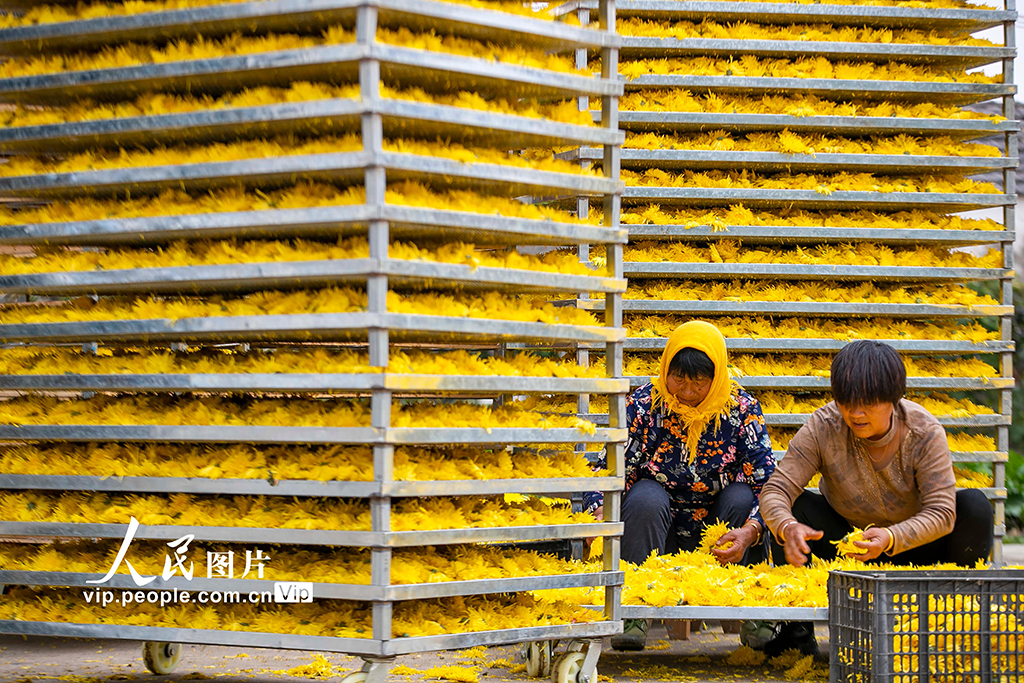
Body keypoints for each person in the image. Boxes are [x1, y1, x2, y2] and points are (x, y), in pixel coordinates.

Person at [759, 339, 994, 657]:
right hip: (849, 544)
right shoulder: (823, 425)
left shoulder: (923, 432)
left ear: (894, 399)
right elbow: (776, 490)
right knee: (795, 510)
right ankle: (796, 634)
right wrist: (787, 527)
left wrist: (891, 537)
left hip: (916, 545)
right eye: (846, 402)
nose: (855, 414)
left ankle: (962, 621)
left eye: (868, 403)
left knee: (975, 507)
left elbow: (942, 513)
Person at [584, 320, 775, 650]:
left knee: (743, 497)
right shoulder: (644, 406)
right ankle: (633, 610)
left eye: (699, 383)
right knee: (645, 495)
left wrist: (752, 530)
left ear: (716, 379)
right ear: (664, 370)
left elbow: (767, 482)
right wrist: (598, 510)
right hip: (658, 528)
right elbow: (606, 468)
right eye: (679, 380)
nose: (687, 393)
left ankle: (750, 608)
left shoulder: (742, 410)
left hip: (721, 531)